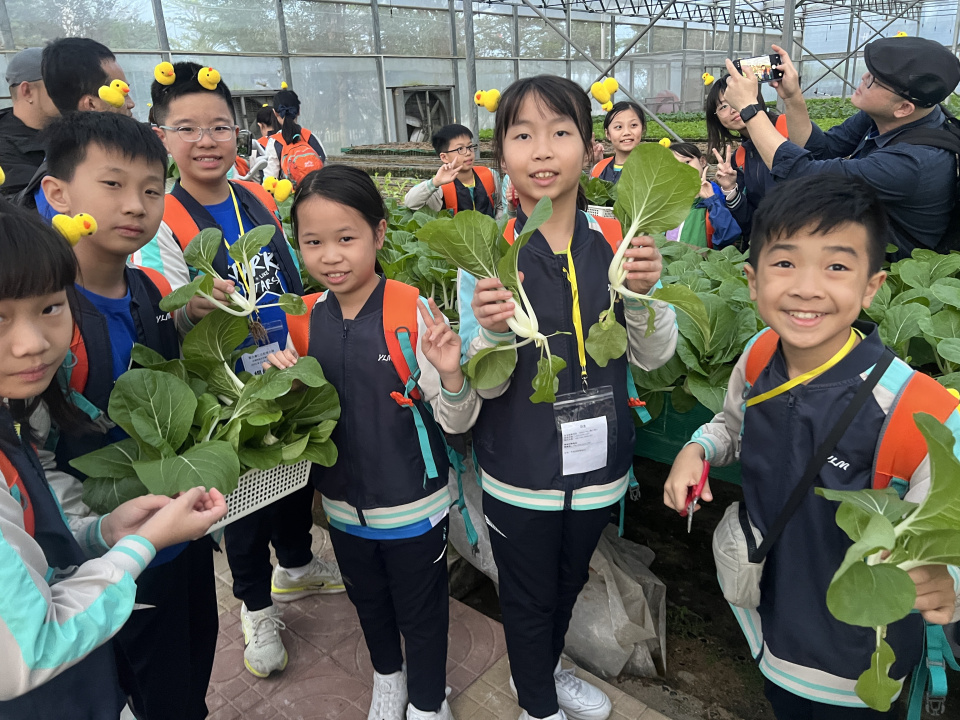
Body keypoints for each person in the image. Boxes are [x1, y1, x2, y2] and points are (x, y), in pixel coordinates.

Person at [663, 175, 960, 719]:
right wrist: (698, 449)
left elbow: (948, 535)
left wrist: (948, 582)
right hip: (768, 625)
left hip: (858, 661)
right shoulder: (760, 355)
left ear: (872, 286)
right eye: (785, 262)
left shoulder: (920, 411)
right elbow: (731, 426)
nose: (807, 287)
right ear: (752, 281)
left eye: (837, 266)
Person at [460, 75, 678, 720]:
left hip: (598, 466)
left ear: (589, 147)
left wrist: (645, 296)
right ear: (502, 154)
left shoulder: (616, 240)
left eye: (561, 132)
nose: (543, 150)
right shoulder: (488, 256)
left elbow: (652, 356)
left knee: (568, 579)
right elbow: (485, 383)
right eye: (522, 135)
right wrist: (490, 332)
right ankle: (536, 704)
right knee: (526, 593)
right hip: (521, 468)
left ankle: (545, 669)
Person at [136, 60, 344, 680]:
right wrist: (192, 308)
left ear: (239, 133)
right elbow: (164, 312)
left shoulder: (255, 197)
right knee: (243, 503)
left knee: (296, 477)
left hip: (285, 365)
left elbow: (289, 279)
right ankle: (256, 606)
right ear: (161, 136)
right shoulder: (162, 219)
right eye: (188, 128)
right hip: (225, 388)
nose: (207, 141)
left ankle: (297, 567)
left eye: (220, 127)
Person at [268, 164, 480, 720]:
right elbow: (299, 423)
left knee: (423, 610)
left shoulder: (412, 311)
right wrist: (281, 389)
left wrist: (452, 376)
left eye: (346, 238)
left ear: (379, 233)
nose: (330, 257)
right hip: (342, 507)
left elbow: (457, 420)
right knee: (368, 601)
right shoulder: (303, 320)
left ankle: (428, 702)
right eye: (313, 242)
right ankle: (389, 678)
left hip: (414, 505)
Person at [0, 200, 227, 718]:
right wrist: (140, 546)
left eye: (50, 308)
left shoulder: (11, 415)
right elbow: (34, 648)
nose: (31, 343)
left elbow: (35, 491)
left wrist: (100, 532)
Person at [39, 110, 221, 720]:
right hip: (103, 551)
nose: (135, 206)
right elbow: (33, 455)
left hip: (177, 532)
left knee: (192, 660)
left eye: (151, 190)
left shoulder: (149, 290)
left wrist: (192, 322)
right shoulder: (43, 317)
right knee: (142, 683)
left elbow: (170, 382)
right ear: (58, 193)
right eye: (112, 185)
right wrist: (99, 534)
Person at [720, 38, 960, 258]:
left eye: (875, 81)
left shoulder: (910, 162)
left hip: (889, 268)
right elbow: (823, 148)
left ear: (904, 108)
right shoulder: (890, 116)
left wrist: (749, 108)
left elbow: (801, 177)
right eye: (870, 71)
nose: (864, 78)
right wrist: (792, 97)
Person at [16, 38, 135, 218]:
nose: (131, 104)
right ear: (91, 104)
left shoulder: (101, 161)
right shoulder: (62, 193)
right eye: (122, 94)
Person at [706, 70, 790, 247]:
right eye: (723, 107)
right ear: (717, 119)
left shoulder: (788, 127)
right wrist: (730, 190)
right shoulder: (739, 159)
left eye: (735, 99)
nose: (732, 109)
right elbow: (749, 224)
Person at [403, 124, 501, 217]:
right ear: (444, 157)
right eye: (460, 149)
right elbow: (410, 203)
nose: (468, 153)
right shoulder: (440, 188)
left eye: (470, 146)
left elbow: (501, 207)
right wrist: (435, 182)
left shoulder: (490, 175)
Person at [0, 48, 59, 199]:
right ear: (27, 91)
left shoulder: (73, 130)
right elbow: (25, 204)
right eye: (61, 85)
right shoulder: (5, 151)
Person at [668, 142, 741, 249]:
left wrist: (712, 201)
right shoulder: (666, 205)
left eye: (687, 162)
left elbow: (729, 236)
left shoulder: (713, 200)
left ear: (702, 161)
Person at [264, 88, 326, 183]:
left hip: (290, 192)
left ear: (275, 113)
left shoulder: (274, 143)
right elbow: (324, 166)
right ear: (299, 111)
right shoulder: (310, 136)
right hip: (316, 190)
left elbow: (270, 180)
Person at [590, 101, 646, 183]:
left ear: (642, 129)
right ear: (608, 133)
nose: (626, 132)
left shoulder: (653, 168)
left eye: (633, 125)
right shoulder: (599, 168)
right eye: (618, 127)